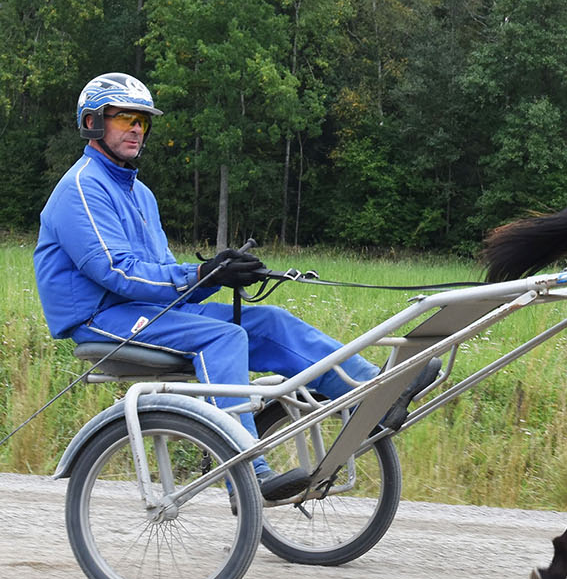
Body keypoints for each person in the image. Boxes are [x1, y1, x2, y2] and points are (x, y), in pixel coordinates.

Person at [34, 72, 385, 501]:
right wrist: (201, 277)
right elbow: (117, 272)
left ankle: (373, 390)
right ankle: (247, 471)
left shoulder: (140, 194)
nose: (136, 128)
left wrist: (218, 274)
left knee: (269, 322)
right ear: (92, 122)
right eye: (124, 116)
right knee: (222, 337)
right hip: (101, 317)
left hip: (146, 309)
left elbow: (158, 270)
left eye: (142, 120)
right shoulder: (82, 188)